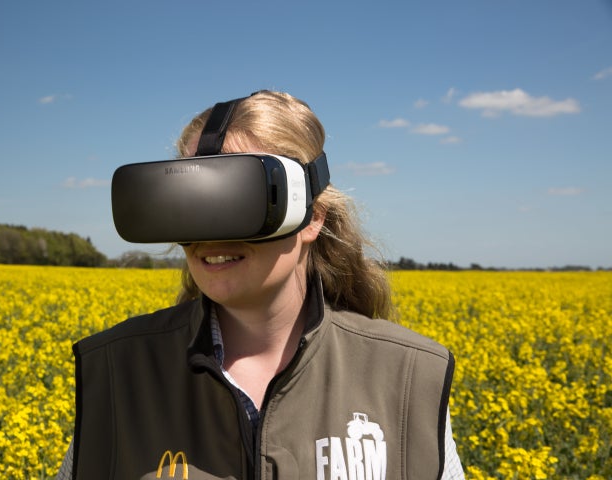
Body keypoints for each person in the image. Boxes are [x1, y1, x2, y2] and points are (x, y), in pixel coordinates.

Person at [56, 90, 465, 479]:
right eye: (187, 204)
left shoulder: (407, 378)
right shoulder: (117, 373)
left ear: (313, 216)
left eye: (240, 201)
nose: (210, 237)